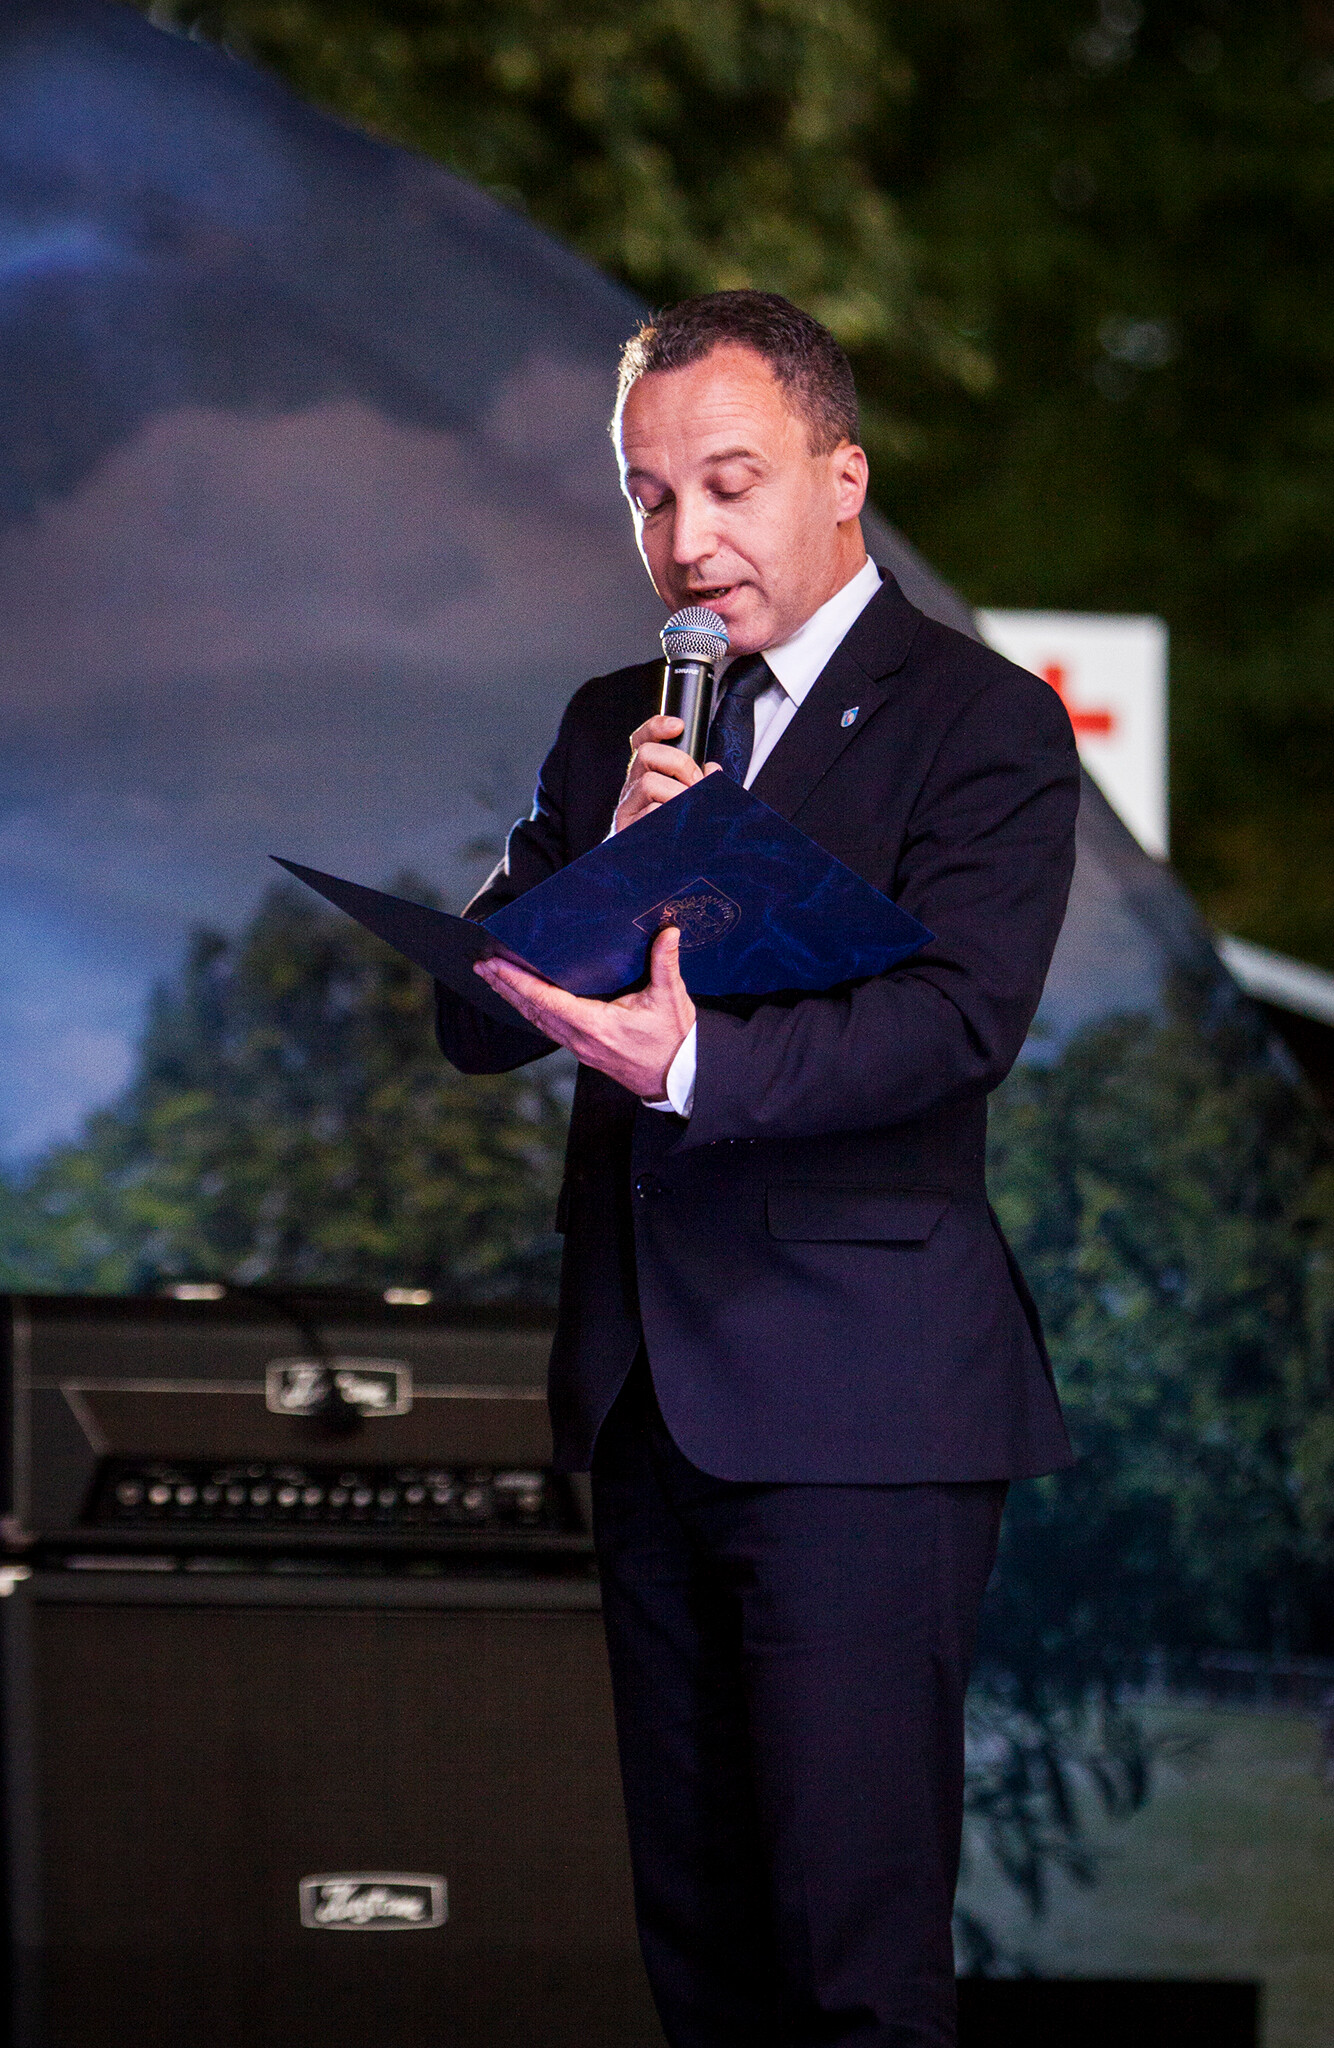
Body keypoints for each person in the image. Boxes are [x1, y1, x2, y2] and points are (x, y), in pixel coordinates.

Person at [435, 290, 1079, 2048]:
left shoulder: (980, 722)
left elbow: (955, 1022)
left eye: (728, 484)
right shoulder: (614, 722)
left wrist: (692, 1062)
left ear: (840, 476)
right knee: (700, 1949)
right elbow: (476, 1019)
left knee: (848, 1952)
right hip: (647, 1397)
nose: (685, 541)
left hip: (863, 1409)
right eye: (648, 497)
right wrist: (609, 868)